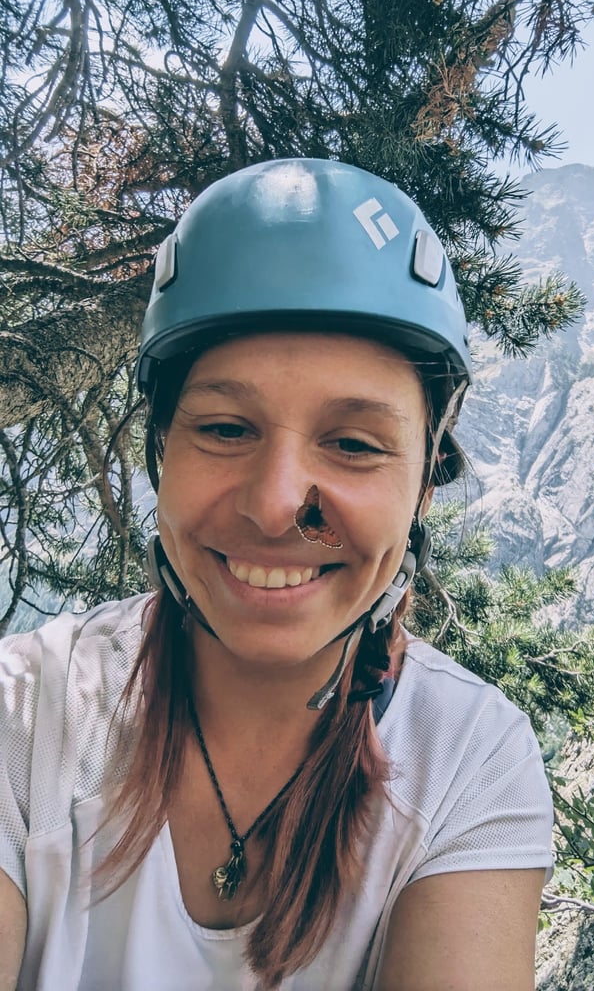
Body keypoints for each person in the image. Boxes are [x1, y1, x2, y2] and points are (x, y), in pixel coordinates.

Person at [0, 159, 553, 990]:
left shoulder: (468, 763)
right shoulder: (28, 718)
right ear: (160, 455)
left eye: (355, 444)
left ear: (424, 486)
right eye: (225, 428)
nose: (275, 504)